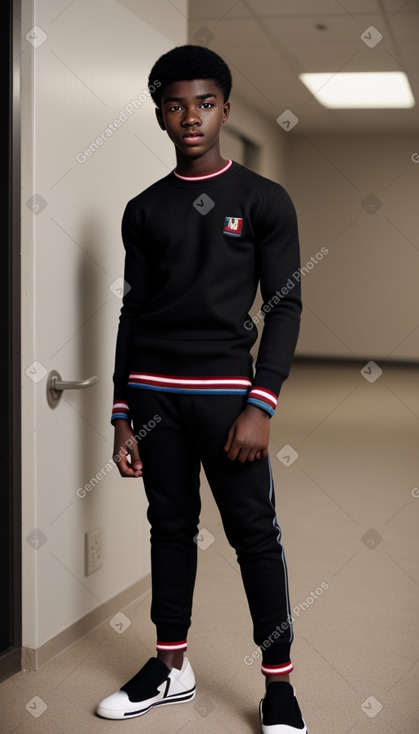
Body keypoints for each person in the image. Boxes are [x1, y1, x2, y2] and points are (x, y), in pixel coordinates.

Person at [96, 44, 308, 733]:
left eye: (204, 103)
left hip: (227, 399)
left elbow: (283, 306)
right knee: (170, 529)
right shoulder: (144, 210)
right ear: (161, 116)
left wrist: (260, 402)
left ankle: (278, 685)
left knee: (255, 537)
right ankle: (171, 668)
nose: (191, 117)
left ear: (224, 108)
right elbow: (131, 312)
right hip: (155, 397)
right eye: (175, 105)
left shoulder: (263, 200)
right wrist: (122, 413)